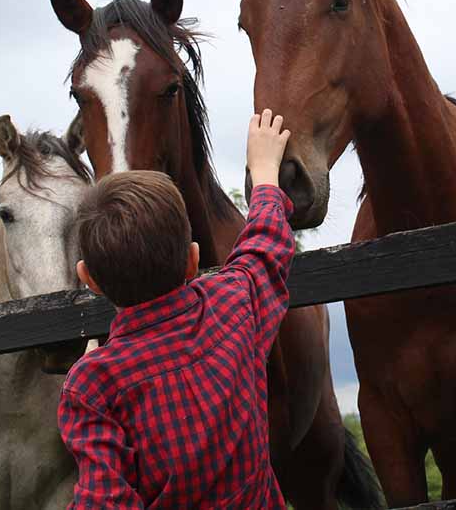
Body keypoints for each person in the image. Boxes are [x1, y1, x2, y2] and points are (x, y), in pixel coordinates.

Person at [58, 109, 296, 509]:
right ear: (192, 260)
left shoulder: (93, 386)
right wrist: (265, 174)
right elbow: (265, 246)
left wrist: (92, 371)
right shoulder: (233, 305)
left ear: (89, 279)